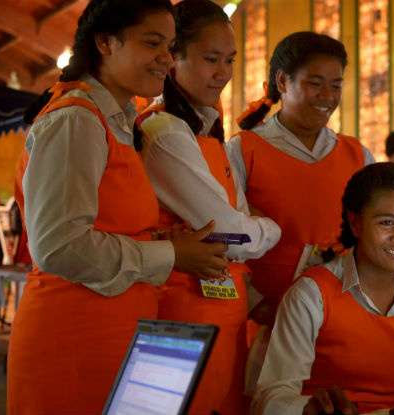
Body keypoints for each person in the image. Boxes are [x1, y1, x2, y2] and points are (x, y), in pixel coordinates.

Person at [7, 1, 230, 413]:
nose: (166, 58)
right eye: (152, 43)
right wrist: (171, 254)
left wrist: (164, 238)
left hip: (114, 332)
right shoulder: (77, 120)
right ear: (106, 42)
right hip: (73, 339)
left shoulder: (120, 121)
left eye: (170, 45)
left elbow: (108, 224)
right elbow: (58, 247)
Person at [134, 1, 281, 413]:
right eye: (211, 59)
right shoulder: (164, 132)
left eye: (230, 60)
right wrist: (272, 229)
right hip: (183, 312)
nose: (224, 72)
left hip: (222, 309)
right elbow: (230, 232)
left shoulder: (204, 132)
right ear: (172, 57)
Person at [253, 163, 394, 415]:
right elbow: (269, 399)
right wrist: (308, 408)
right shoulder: (311, 295)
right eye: (387, 223)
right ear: (355, 223)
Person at [227, 31, 375, 329]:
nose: (328, 97)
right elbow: (225, 242)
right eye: (315, 83)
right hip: (264, 320)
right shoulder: (242, 151)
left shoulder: (357, 156)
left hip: (338, 317)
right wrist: (257, 305)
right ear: (283, 82)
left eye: (336, 86)